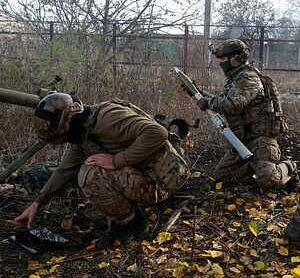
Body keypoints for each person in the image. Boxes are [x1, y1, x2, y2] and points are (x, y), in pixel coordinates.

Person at [13, 93, 190, 247]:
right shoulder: (83, 132)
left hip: (161, 183)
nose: (57, 143)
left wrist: (116, 161)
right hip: (146, 177)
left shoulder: (108, 119)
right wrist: (38, 203)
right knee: (86, 168)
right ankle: (129, 216)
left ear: (67, 127)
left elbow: (158, 133)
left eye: (57, 139)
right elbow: (64, 170)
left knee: (89, 173)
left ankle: (132, 225)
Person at [196, 38, 299, 191]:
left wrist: (209, 103)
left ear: (236, 59)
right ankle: (255, 166)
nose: (221, 63)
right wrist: (201, 95)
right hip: (242, 142)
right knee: (222, 177)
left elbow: (232, 104)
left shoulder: (248, 77)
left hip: (261, 140)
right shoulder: (236, 78)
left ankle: (290, 167)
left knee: (267, 180)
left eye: (224, 59)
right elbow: (227, 100)